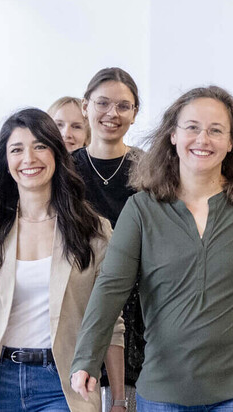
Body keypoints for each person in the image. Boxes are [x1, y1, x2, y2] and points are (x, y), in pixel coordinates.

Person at [68, 86, 233, 411]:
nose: (203, 139)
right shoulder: (141, 210)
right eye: (192, 127)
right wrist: (87, 358)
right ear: (173, 135)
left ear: (232, 143)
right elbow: (110, 288)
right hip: (165, 389)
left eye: (216, 130)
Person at [0, 109, 124, 412]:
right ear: (6, 162)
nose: (29, 158)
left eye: (40, 146)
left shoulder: (94, 231)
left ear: (57, 155)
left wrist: (118, 400)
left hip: (65, 384)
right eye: (17, 149)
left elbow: (110, 320)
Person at [67, 67, 145, 411]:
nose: (112, 114)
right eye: (102, 103)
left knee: (128, 401)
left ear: (135, 113)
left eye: (123, 106)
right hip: (81, 303)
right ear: (85, 106)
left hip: (141, 309)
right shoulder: (64, 171)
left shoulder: (149, 170)